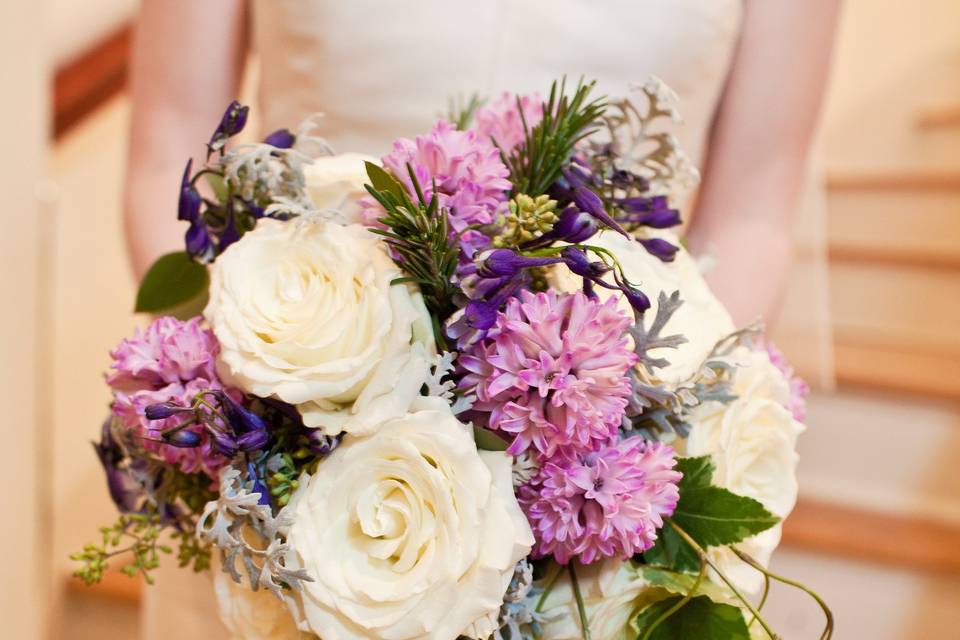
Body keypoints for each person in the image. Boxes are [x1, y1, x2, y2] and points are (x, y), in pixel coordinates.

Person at [123, 1, 839, 637]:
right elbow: (168, 152)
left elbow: (752, 214)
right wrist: (256, 395)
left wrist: (647, 428)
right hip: (285, 481)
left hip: (595, 501)